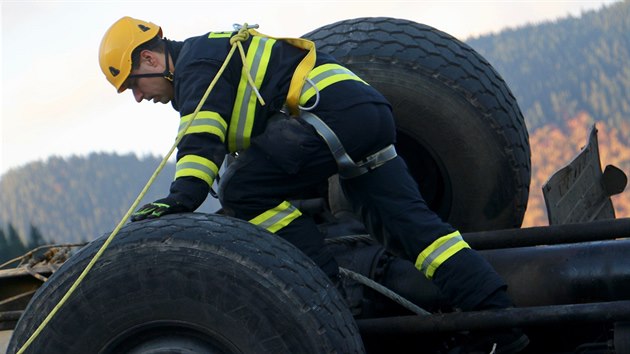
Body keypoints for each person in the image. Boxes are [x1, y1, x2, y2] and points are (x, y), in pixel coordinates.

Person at [99, 16, 529, 353]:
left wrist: (182, 198)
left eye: (133, 86)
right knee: (418, 233)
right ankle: (503, 326)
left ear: (151, 61)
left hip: (334, 115)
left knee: (244, 191)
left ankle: (324, 288)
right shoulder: (209, 54)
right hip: (368, 113)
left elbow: (200, 137)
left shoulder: (198, 64)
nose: (139, 98)